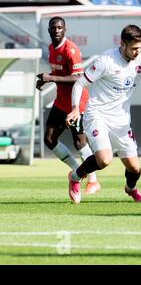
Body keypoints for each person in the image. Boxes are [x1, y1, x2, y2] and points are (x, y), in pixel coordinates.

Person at [65, 24, 141, 204]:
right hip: (97, 115)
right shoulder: (106, 60)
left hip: (121, 121)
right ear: (123, 44)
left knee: (135, 169)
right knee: (104, 159)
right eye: (134, 48)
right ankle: (75, 176)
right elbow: (79, 83)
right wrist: (75, 108)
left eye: (140, 48)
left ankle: (130, 188)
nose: (137, 52)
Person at [36, 16, 100, 195]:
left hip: (76, 102)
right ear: (49, 30)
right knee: (49, 139)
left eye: (59, 27)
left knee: (79, 142)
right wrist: (46, 79)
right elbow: (58, 72)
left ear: (65, 30)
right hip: (60, 102)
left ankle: (93, 181)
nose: (56, 30)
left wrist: (52, 78)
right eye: (53, 27)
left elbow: (78, 78)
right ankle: (75, 170)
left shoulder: (71, 50)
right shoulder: (51, 48)